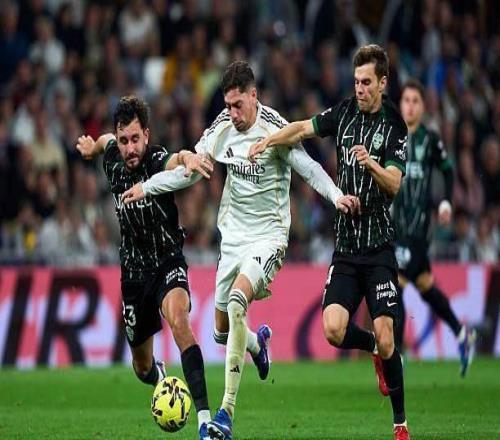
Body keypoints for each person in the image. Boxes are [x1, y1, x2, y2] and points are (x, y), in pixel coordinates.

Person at [122, 60, 359, 440]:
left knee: (237, 303)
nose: (232, 113)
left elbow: (308, 166)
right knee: (221, 331)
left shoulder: (275, 128)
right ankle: (256, 343)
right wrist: (147, 187)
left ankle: (225, 414)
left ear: (253, 96)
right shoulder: (221, 128)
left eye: (237, 105)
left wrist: (336, 196)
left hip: (268, 237)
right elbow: (188, 171)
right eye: (227, 105)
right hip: (232, 239)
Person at [248, 44, 411, 440]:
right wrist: (270, 140)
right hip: (347, 249)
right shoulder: (344, 113)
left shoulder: (394, 124)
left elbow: (394, 184)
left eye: (367, 82)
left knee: (389, 336)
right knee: (334, 330)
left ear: (383, 83)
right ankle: (373, 348)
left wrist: (370, 162)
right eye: (356, 82)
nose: (360, 89)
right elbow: (303, 128)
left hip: (378, 248)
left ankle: (400, 424)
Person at [75, 96, 213, 440]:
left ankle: (206, 421)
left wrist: (189, 158)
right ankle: (160, 376)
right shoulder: (112, 157)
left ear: (146, 135)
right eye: (124, 140)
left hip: (167, 260)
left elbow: (175, 159)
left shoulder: (154, 159)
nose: (130, 147)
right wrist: (94, 148)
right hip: (134, 275)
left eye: (135, 139)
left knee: (180, 322)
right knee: (142, 368)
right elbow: (105, 141)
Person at [393, 79, 477, 375]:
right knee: (425, 286)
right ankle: (461, 333)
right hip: (396, 229)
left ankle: (397, 356)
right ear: (400, 104)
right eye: (406, 100)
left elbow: (448, 170)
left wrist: (445, 203)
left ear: (422, 107)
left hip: (418, 232)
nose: (410, 106)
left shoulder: (429, 140)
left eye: (415, 101)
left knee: (395, 284)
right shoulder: (392, 137)